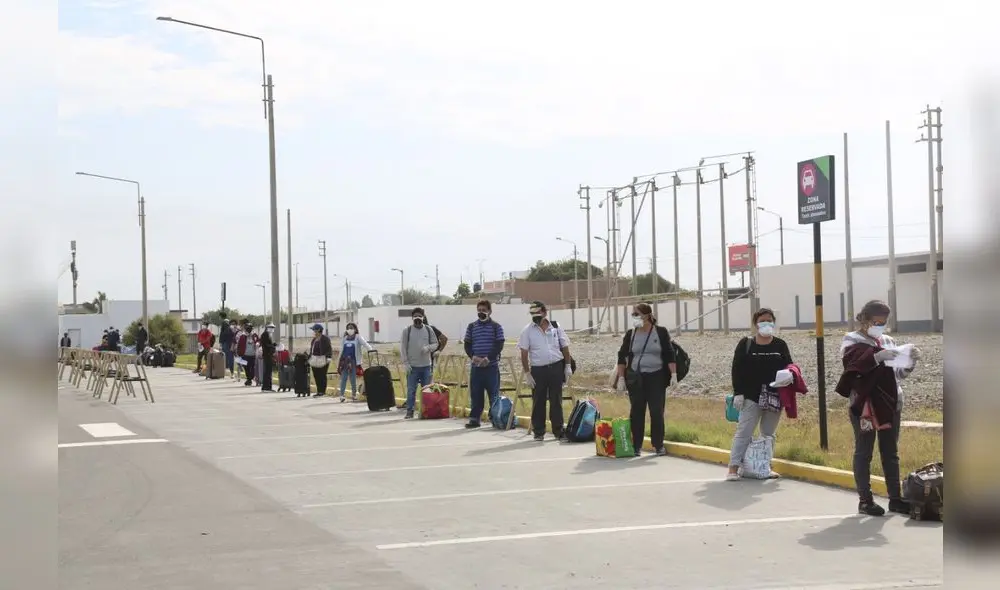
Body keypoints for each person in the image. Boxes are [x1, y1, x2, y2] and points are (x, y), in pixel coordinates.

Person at [837, 300, 921, 516]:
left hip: (891, 402)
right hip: (865, 404)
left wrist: (910, 363)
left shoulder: (888, 340)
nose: (879, 326)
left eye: (883, 323)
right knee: (864, 451)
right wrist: (876, 356)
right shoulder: (851, 339)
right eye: (876, 322)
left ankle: (895, 498)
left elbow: (897, 375)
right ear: (864, 319)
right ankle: (865, 500)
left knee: (890, 451)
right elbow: (852, 369)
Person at [726, 307, 794, 481]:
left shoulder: (780, 344)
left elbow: (789, 366)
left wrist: (789, 377)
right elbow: (737, 369)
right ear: (756, 324)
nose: (766, 324)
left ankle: (765, 466)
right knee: (744, 432)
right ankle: (733, 468)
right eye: (762, 321)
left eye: (769, 320)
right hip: (751, 396)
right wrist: (738, 393)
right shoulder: (746, 344)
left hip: (774, 397)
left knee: (768, 434)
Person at [615, 302, 677, 457]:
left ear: (647, 315)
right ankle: (636, 446)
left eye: (637, 314)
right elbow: (622, 356)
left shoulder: (660, 332)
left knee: (656, 411)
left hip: (656, 376)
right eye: (633, 315)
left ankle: (658, 444)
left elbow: (670, 354)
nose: (634, 317)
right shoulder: (631, 334)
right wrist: (621, 378)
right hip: (636, 377)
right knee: (636, 412)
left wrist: (673, 375)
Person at [517, 301, 573, 441]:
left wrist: (567, 366)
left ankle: (558, 430)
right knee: (538, 401)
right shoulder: (527, 330)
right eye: (532, 314)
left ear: (544, 312)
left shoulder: (555, 326)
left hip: (555, 367)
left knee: (556, 400)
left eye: (537, 313)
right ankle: (539, 431)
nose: (535, 316)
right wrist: (528, 373)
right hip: (538, 370)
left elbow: (565, 347)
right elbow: (524, 354)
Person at [464, 299, 505, 428]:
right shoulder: (472, 326)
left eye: (484, 310)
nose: (481, 312)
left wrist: (489, 358)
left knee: (493, 394)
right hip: (476, 367)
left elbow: (499, 344)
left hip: (491, 367)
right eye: (479, 310)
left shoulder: (496, 326)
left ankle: (495, 418)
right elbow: (467, 344)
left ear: (490, 311)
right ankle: (475, 419)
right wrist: (473, 356)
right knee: (476, 394)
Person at [400, 307, 438, 419]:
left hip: (426, 366)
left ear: (423, 317)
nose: (418, 318)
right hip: (412, 367)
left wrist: (428, 348)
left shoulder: (428, 329)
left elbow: (435, 343)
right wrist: (406, 363)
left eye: (420, 316)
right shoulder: (407, 330)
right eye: (415, 316)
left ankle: (425, 411)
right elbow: (403, 347)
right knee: (411, 390)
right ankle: (410, 411)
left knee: (426, 391)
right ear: (412, 318)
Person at [337, 322, 373, 402]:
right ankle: (341, 395)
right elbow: (341, 350)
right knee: (343, 378)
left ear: (355, 329)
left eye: (351, 328)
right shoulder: (345, 338)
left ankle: (353, 395)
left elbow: (365, 344)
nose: (350, 329)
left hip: (353, 361)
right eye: (348, 328)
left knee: (353, 379)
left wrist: (371, 350)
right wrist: (339, 361)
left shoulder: (358, 337)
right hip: (344, 361)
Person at [309, 324, 333, 397]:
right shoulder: (314, 339)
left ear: (318, 330)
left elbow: (329, 348)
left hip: (323, 359)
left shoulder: (325, 338)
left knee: (322, 375)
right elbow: (311, 349)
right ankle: (319, 391)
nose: (313, 332)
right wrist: (309, 357)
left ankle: (322, 391)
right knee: (316, 375)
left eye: (314, 330)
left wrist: (328, 357)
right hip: (315, 359)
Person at [236, 322, 258, 387]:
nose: (248, 330)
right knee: (246, 368)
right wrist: (238, 354)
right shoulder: (242, 336)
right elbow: (239, 345)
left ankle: (250, 378)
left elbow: (259, 341)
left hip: (253, 355)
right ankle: (249, 379)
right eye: (247, 329)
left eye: (249, 328)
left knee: (253, 367)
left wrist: (257, 343)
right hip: (245, 355)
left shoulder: (254, 335)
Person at [259, 323, 277, 392]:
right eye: (271, 327)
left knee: (268, 371)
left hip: (268, 355)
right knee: (268, 372)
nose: (272, 329)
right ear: (267, 327)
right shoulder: (265, 334)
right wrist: (273, 346)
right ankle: (267, 387)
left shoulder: (268, 334)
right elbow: (266, 345)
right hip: (267, 355)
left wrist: (273, 345)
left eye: (273, 328)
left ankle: (266, 387)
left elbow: (268, 344)